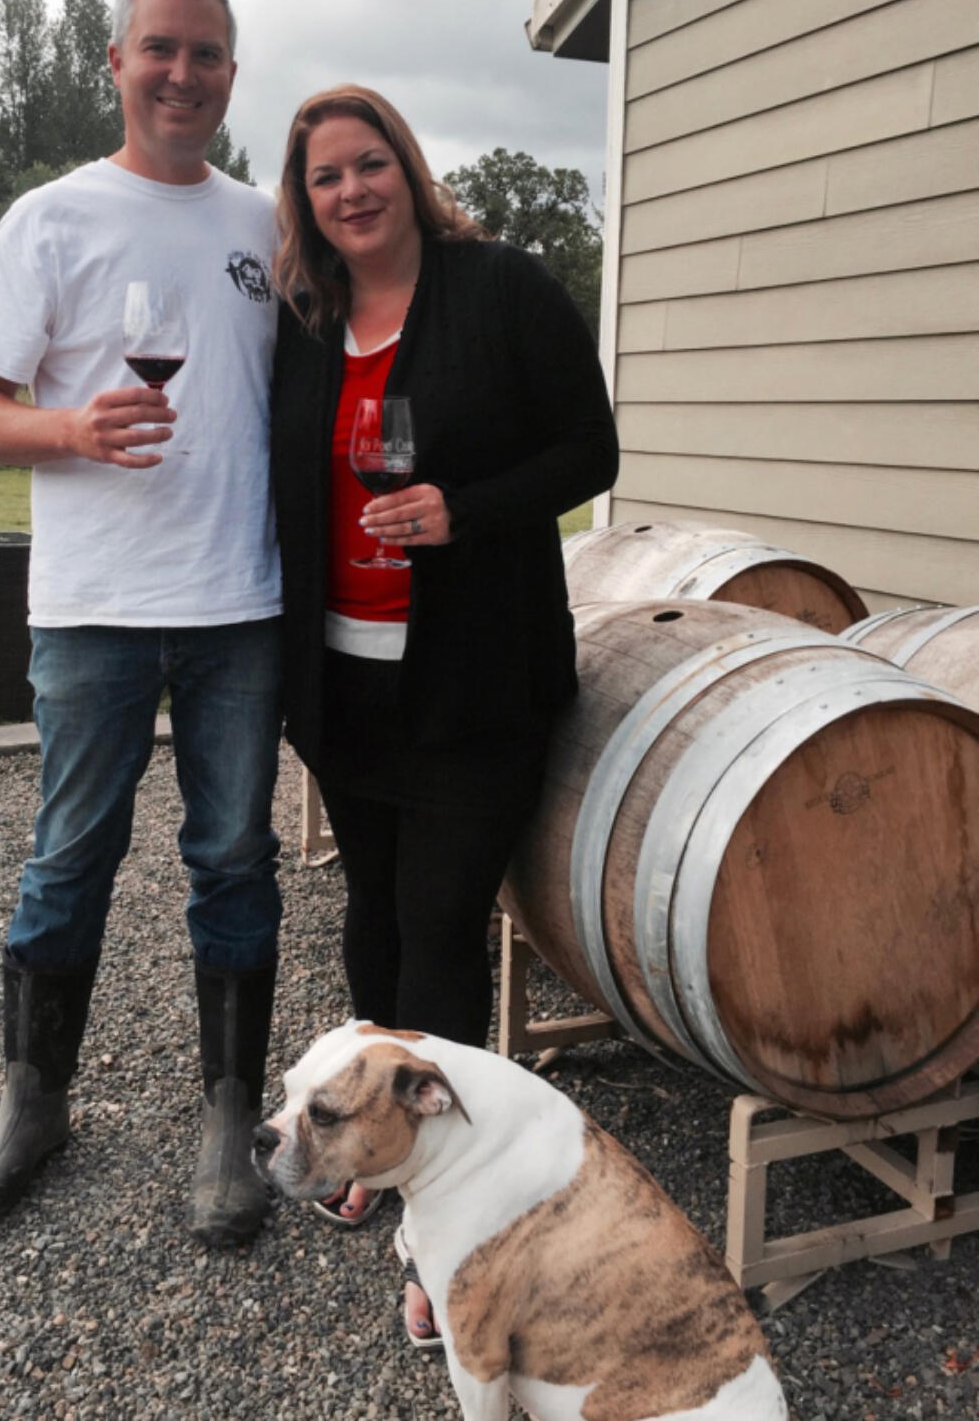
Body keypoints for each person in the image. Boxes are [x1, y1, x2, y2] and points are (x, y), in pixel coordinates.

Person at [0, 0, 283, 1247]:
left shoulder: (262, 223)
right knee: (69, 853)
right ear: (117, 63)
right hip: (90, 603)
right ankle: (34, 1101)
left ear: (229, 74)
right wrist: (74, 426)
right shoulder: (51, 218)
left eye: (204, 53)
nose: (181, 74)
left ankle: (228, 1114)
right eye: (160, 49)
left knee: (231, 857)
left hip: (239, 604)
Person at [270, 85, 619, 1338]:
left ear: (407, 172)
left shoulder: (501, 288)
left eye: (370, 166)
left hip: (475, 682)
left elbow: (589, 451)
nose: (351, 191)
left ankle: (453, 1215)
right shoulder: (304, 325)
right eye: (325, 177)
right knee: (370, 906)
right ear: (302, 201)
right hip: (341, 681)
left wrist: (461, 509)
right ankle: (361, 1144)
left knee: (437, 916)